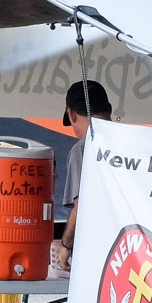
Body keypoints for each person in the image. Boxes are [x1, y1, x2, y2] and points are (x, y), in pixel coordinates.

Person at [53, 80, 113, 273]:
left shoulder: (82, 149)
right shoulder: (133, 142)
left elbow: (81, 207)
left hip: (100, 254)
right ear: (109, 109)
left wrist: (65, 246)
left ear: (71, 114)